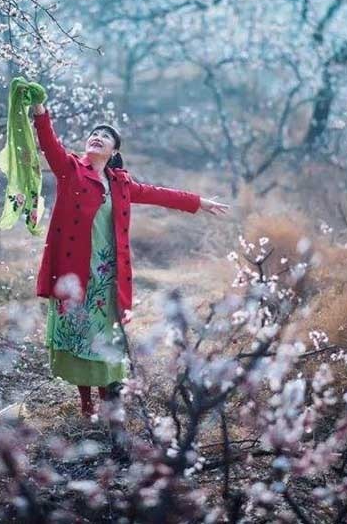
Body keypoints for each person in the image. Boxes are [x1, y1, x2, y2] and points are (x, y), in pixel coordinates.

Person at [30, 101, 229, 417]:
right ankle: (86, 402)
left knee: (102, 335)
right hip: (74, 271)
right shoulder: (70, 170)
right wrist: (41, 113)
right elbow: (49, 144)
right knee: (80, 333)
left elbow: (159, 194)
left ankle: (108, 399)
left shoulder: (120, 184)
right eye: (94, 134)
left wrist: (199, 202)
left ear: (113, 151)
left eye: (105, 136)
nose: (97, 137)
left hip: (107, 275)